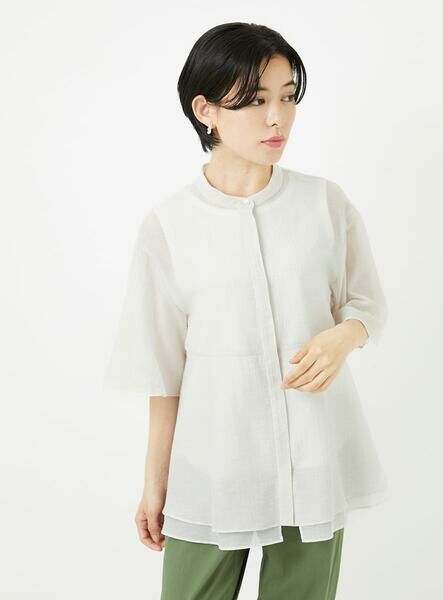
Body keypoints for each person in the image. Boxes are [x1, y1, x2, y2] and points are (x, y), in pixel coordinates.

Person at [103, 21, 389, 600]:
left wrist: (344, 336)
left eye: (287, 97)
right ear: (205, 109)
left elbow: (367, 303)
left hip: (313, 459)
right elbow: (165, 371)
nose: (277, 118)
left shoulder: (324, 203)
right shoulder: (169, 226)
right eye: (256, 101)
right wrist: (155, 484)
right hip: (213, 466)